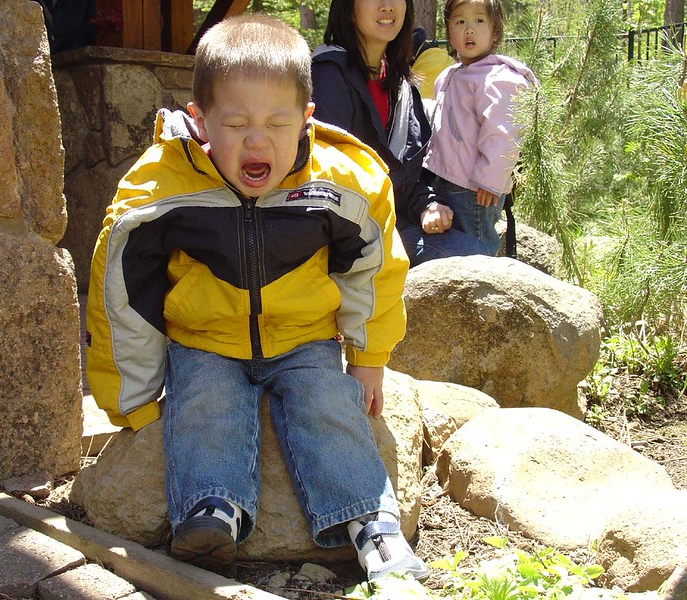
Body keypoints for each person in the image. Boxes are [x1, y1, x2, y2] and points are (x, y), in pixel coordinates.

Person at [85, 13, 429, 582]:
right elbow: (123, 292)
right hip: (205, 341)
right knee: (203, 405)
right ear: (199, 121)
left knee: (329, 405)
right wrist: (135, 401)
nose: (257, 139)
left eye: (276, 122)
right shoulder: (164, 185)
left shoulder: (340, 183)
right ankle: (212, 510)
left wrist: (369, 360)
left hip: (306, 339)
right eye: (236, 123)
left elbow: (375, 270)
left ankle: (371, 522)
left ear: (306, 120)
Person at [311, 0, 485, 266]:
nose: (387, 5)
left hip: (392, 226)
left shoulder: (400, 83)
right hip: (345, 241)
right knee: (472, 257)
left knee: (477, 251)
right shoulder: (328, 75)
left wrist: (428, 205)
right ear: (348, 8)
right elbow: (330, 177)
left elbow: (408, 173)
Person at [423, 0, 539, 256]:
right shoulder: (450, 75)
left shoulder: (498, 78)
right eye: (460, 21)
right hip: (445, 178)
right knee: (454, 244)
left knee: (476, 245)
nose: (469, 30)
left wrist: (490, 179)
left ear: (495, 31)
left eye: (479, 21)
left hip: (476, 189)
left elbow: (503, 133)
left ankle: (480, 291)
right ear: (448, 32)